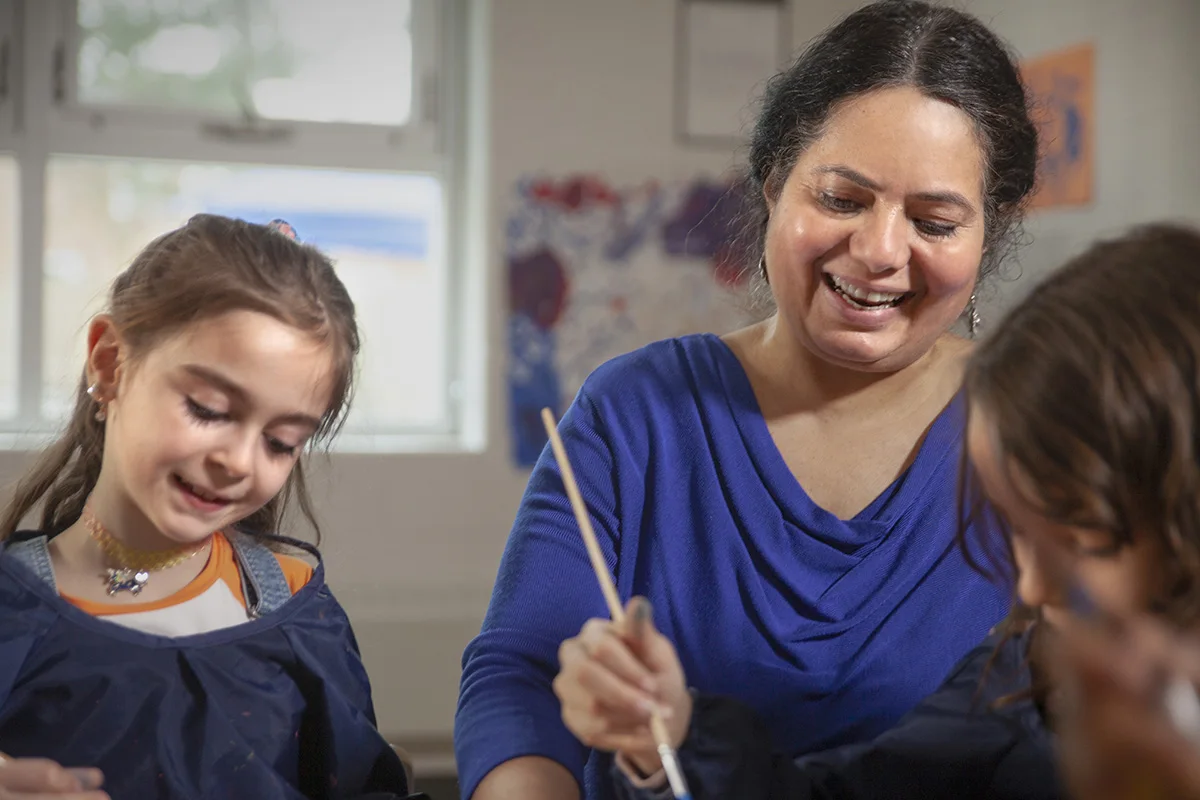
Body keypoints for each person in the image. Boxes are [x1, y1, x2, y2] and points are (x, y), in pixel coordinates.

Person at [454, 1, 1039, 797]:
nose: (878, 251)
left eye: (934, 220)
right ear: (773, 188)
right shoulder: (637, 411)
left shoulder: (1040, 428)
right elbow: (523, 672)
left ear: (987, 235)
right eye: (841, 199)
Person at [552, 223, 1200, 799]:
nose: (1031, 585)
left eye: (1081, 536)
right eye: (1020, 532)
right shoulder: (1028, 669)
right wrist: (674, 738)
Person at [0, 214, 421, 799]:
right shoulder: (11, 615)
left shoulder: (298, 610)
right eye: (208, 409)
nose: (240, 462)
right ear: (109, 363)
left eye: (280, 442)